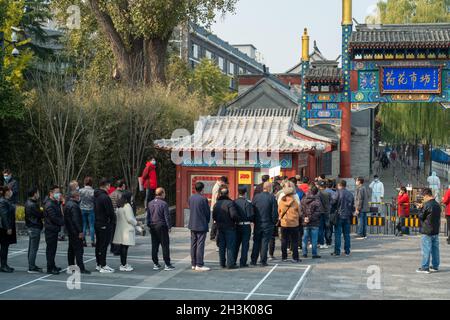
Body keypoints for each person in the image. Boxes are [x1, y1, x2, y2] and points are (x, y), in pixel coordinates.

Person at [251, 182, 278, 267]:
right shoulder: (272, 197)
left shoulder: (256, 197)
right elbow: (274, 212)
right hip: (268, 223)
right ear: (269, 188)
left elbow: (252, 210)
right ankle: (263, 261)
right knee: (265, 242)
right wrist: (274, 222)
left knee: (256, 242)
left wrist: (254, 220)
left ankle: (253, 260)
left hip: (258, 223)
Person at [147, 187, 174, 271]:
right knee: (165, 245)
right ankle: (167, 264)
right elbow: (167, 216)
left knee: (154, 245)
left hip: (152, 226)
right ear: (162, 193)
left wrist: (148, 224)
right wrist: (169, 226)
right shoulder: (164, 204)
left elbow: (148, 215)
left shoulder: (150, 203)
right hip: (161, 226)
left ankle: (155, 263)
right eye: (164, 193)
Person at [64, 190, 91, 274]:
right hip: (75, 231)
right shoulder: (74, 206)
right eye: (78, 196)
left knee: (71, 250)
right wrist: (80, 231)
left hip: (70, 230)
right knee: (79, 250)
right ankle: (81, 268)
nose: (79, 197)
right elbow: (76, 220)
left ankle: (71, 266)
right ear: (75, 196)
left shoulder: (68, 204)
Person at [213, 187, 239, 269]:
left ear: (220, 194)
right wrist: (236, 220)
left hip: (220, 227)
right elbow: (233, 215)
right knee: (230, 246)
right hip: (230, 227)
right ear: (227, 194)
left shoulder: (217, 204)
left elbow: (214, 216)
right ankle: (230, 264)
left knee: (222, 246)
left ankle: (222, 263)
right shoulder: (230, 203)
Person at [416, 188, 441, 274]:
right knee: (435, 249)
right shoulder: (437, 205)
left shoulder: (427, 205)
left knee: (426, 249)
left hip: (427, 230)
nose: (423, 199)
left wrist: (419, 209)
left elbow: (421, 216)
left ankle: (425, 267)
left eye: (423, 197)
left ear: (426, 195)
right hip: (435, 230)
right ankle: (435, 266)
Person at [94, 178, 116, 273]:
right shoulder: (105, 197)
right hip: (104, 223)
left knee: (99, 244)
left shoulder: (96, 195)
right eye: (109, 185)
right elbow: (110, 212)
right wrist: (112, 221)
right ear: (106, 185)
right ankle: (103, 265)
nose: (109, 187)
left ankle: (99, 264)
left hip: (98, 222)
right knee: (103, 245)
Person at [188, 182, 211, 271]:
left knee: (193, 244)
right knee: (200, 244)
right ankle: (199, 264)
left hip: (192, 223)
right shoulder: (203, 199)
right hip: (201, 224)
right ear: (202, 189)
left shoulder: (191, 197)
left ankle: (193, 263)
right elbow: (207, 212)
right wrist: (207, 221)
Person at [113, 191, 137, 272]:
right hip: (127, 229)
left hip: (120, 229)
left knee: (123, 247)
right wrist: (136, 223)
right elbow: (130, 218)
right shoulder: (127, 206)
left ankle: (123, 264)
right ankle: (123, 265)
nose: (132, 198)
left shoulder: (119, 206)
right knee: (125, 248)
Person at [43, 186, 65, 275]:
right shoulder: (49, 204)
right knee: (50, 250)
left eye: (59, 192)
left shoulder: (55, 202)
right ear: (51, 193)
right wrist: (63, 222)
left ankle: (53, 265)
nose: (58, 194)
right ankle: (50, 267)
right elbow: (54, 217)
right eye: (56, 192)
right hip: (50, 229)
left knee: (53, 249)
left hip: (54, 229)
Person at [278, 183, 301, 262]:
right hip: (294, 223)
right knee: (294, 241)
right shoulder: (295, 202)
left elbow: (279, 211)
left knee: (284, 240)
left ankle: (284, 257)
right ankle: (295, 257)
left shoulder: (281, 201)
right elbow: (299, 212)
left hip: (284, 223)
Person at [233, 186, 255, 268]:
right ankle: (243, 262)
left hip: (236, 225)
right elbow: (251, 216)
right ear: (245, 193)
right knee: (245, 245)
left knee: (236, 244)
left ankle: (233, 261)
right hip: (246, 225)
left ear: (238, 192)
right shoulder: (247, 203)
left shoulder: (234, 202)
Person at [332, 180, 354, 257]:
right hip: (348, 215)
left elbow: (333, 202)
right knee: (347, 235)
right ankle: (347, 251)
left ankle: (337, 251)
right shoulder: (350, 194)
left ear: (339, 185)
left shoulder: (337, 193)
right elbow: (352, 206)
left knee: (338, 234)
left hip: (339, 215)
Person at [25, 187, 44, 273]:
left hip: (30, 227)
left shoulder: (28, 203)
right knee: (33, 248)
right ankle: (31, 267)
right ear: (34, 194)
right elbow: (40, 214)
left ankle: (31, 265)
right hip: (34, 227)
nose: (38, 194)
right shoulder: (33, 204)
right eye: (37, 192)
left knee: (31, 247)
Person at [300, 185, 323, 259]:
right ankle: (314, 253)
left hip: (305, 222)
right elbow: (318, 212)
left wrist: (305, 218)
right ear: (316, 192)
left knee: (305, 238)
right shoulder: (317, 201)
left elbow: (301, 211)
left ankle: (304, 253)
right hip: (314, 222)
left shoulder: (303, 200)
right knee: (314, 239)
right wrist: (310, 218)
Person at [0, 186, 16, 272]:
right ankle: (3, 265)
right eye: (10, 190)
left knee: (5, 247)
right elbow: (4, 215)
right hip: (3, 228)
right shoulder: (3, 201)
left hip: (5, 227)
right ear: (6, 192)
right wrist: (8, 227)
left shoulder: (6, 201)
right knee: (4, 247)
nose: (11, 192)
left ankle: (4, 264)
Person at [210, 176, 228, 251]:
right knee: (218, 227)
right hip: (218, 209)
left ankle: (215, 238)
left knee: (217, 226)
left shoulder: (217, 186)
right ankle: (218, 244)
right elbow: (216, 199)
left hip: (216, 208)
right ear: (222, 181)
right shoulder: (217, 188)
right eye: (225, 183)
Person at [109, 179, 127, 256]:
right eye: (124, 185)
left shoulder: (111, 194)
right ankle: (117, 250)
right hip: (118, 215)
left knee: (112, 233)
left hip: (111, 215)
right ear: (122, 186)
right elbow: (122, 206)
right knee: (118, 233)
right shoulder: (121, 194)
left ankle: (112, 249)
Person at [80, 177, 95, 247]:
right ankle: (92, 241)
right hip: (91, 209)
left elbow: (79, 199)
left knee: (84, 225)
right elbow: (94, 200)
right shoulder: (93, 191)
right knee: (91, 226)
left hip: (82, 208)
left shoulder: (81, 190)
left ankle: (83, 241)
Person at [317, 180, 331, 249]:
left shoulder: (318, 193)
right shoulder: (328, 193)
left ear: (319, 186)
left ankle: (321, 242)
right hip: (327, 212)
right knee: (327, 227)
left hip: (320, 212)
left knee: (320, 228)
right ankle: (328, 241)